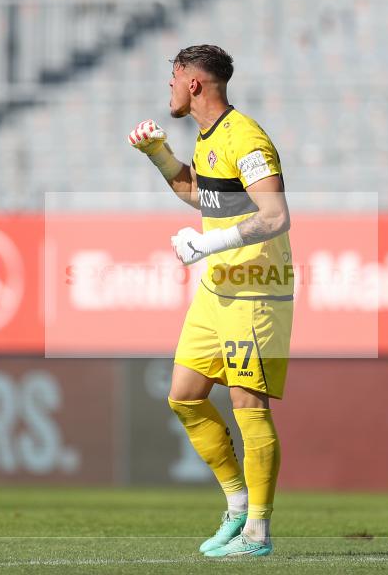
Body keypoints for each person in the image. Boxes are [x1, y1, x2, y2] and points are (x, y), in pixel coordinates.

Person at [128, 44, 293, 558]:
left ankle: (259, 534)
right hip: (218, 287)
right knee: (184, 394)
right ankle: (237, 505)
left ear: (192, 81)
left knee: (248, 404)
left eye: (172, 79)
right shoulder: (208, 139)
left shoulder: (245, 137)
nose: (169, 89)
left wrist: (208, 244)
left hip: (255, 289)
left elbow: (275, 216)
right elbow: (197, 194)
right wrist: (157, 154)